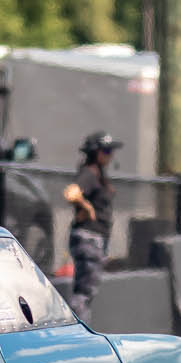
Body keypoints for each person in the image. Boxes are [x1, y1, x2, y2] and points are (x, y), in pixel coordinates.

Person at [62, 132, 117, 321]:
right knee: (84, 294)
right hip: (88, 238)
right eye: (107, 151)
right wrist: (87, 206)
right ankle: (77, 335)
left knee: (86, 292)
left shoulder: (99, 175)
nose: (110, 156)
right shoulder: (89, 173)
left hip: (94, 240)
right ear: (96, 153)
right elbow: (71, 193)